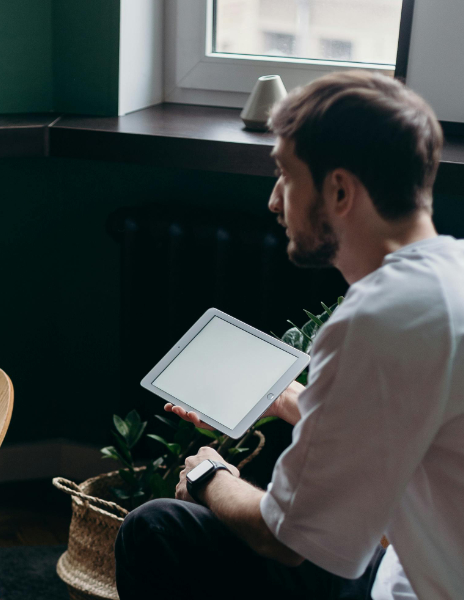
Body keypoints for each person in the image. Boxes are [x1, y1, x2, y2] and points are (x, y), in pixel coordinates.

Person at [114, 71, 464, 600]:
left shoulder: (377, 318)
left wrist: (210, 476)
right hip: (408, 570)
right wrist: (284, 397)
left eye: (285, 175)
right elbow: (400, 420)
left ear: (340, 190)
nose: (275, 201)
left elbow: (288, 538)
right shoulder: (447, 280)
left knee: (156, 527)